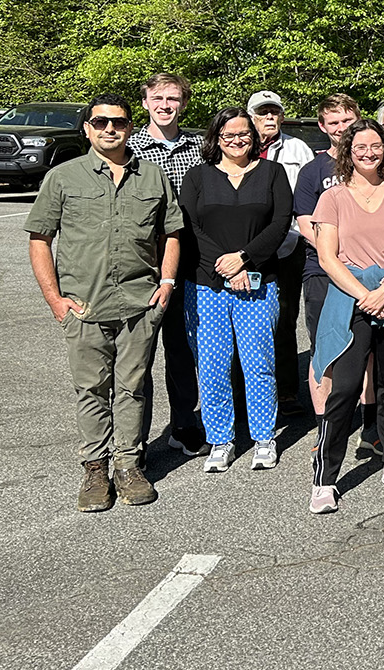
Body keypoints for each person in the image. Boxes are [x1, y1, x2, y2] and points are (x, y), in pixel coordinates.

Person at [26, 94, 182, 511]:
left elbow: (171, 232)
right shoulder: (63, 177)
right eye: (100, 122)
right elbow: (40, 238)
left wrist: (166, 282)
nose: (109, 129)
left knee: (132, 388)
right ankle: (95, 468)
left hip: (140, 304)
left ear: (131, 126)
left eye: (118, 122)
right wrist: (55, 300)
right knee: (92, 389)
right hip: (84, 306)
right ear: (87, 128)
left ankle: (129, 465)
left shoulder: (152, 177)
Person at [308, 120, 384, 512]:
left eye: (376, 146)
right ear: (348, 151)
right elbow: (327, 256)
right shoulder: (333, 198)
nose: (369, 153)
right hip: (350, 300)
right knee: (343, 389)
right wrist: (366, 296)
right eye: (361, 147)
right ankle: (324, 479)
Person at [178, 108, 293, 473]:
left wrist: (245, 259)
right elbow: (189, 226)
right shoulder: (197, 176)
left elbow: (280, 223)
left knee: (258, 364)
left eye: (244, 133)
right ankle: (220, 440)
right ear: (216, 139)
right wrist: (226, 266)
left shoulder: (272, 173)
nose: (238, 140)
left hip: (258, 283)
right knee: (212, 367)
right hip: (206, 285)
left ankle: (263, 438)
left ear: (254, 136)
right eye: (229, 135)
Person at [126, 73, 205, 456]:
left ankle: (184, 423)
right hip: (140, 261)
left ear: (183, 103)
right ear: (144, 102)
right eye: (157, 97)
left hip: (189, 260)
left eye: (173, 98)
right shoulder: (130, 148)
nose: (165, 105)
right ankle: (133, 438)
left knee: (181, 349)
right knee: (137, 354)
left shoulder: (199, 148)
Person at [292, 94, 360, 425]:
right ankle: (326, 425)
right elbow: (305, 225)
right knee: (324, 347)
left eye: (347, 120)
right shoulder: (312, 171)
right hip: (322, 270)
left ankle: (367, 422)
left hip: (368, 271)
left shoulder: (375, 163)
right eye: (333, 122)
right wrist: (338, 255)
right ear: (322, 127)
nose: (341, 128)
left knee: (366, 348)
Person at [248, 90, 315, 417]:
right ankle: (249, 392)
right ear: (252, 117)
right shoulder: (239, 144)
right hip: (246, 245)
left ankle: (287, 392)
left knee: (284, 320)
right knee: (246, 321)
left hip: (289, 244)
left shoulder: (297, 148)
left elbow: (308, 196)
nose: (270, 118)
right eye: (263, 113)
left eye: (274, 111)